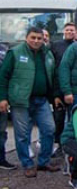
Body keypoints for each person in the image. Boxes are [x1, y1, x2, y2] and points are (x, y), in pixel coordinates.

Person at [0, 27, 61, 177]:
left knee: (49, 129)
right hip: (20, 100)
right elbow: (3, 76)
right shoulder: (15, 53)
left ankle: (43, 162)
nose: (36, 41)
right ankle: (27, 164)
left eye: (39, 38)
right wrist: (3, 98)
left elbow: (53, 76)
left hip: (42, 100)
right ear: (26, 37)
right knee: (22, 135)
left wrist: (55, 96)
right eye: (33, 37)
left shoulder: (47, 54)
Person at [50, 22, 77, 149]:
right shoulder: (55, 46)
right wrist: (55, 94)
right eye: (68, 30)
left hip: (75, 89)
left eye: (72, 30)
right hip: (60, 89)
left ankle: (71, 143)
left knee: (74, 118)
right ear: (64, 31)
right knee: (59, 119)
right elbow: (53, 70)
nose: (70, 32)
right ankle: (57, 143)